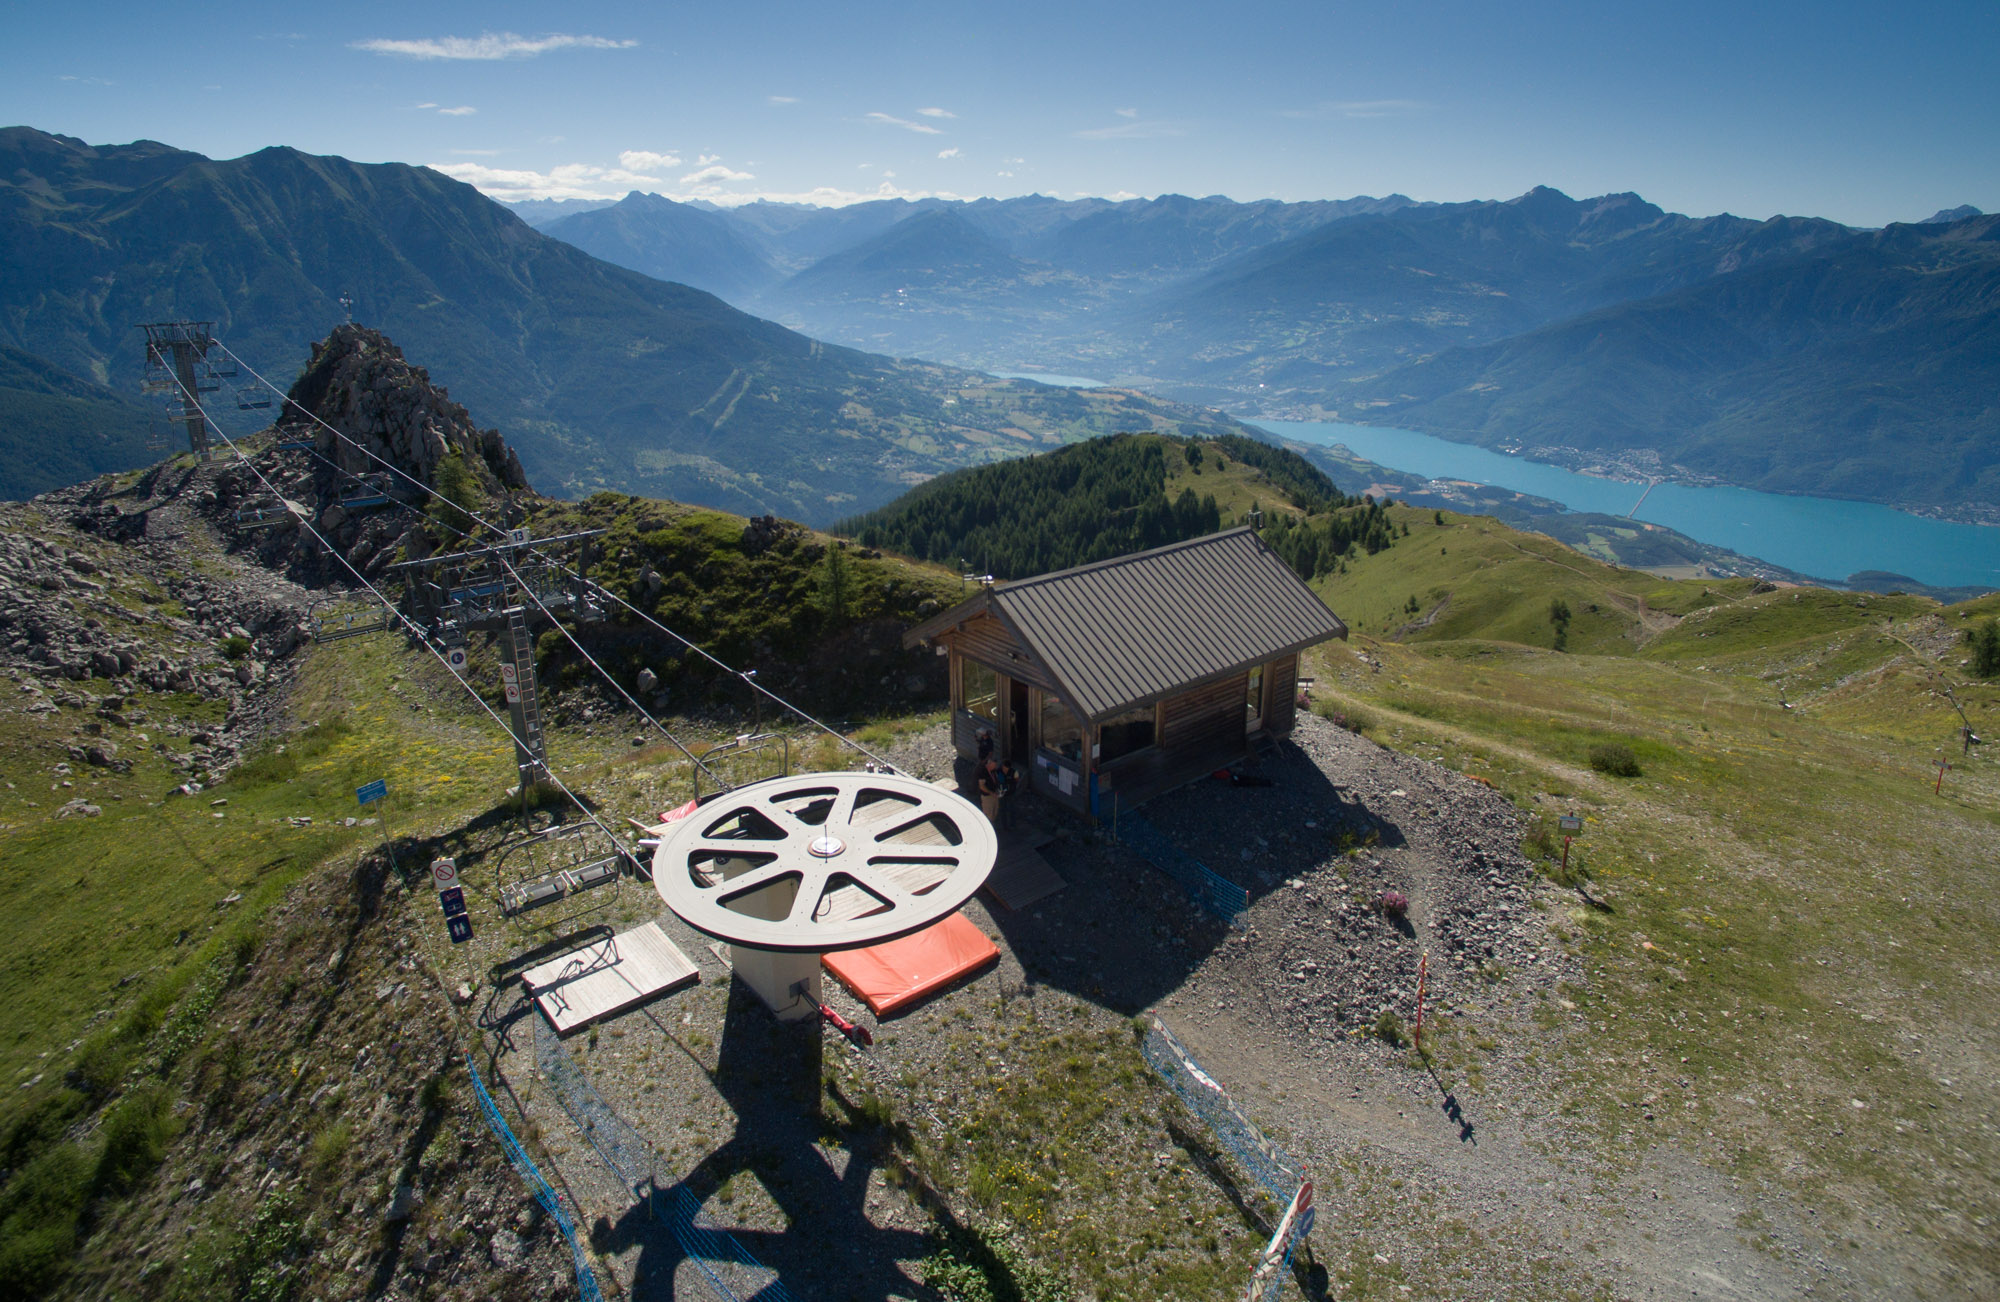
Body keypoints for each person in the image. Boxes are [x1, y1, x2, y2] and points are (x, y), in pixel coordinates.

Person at [977, 755, 1003, 826]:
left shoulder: (993, 770)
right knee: (988, 815)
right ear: (989, 764)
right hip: (987, 797)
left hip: (994, 794)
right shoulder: (983, 772)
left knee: (995, 812)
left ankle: (992, 827)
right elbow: (982, 786)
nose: (995, 766)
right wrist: (991, 793)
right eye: (994, 765)